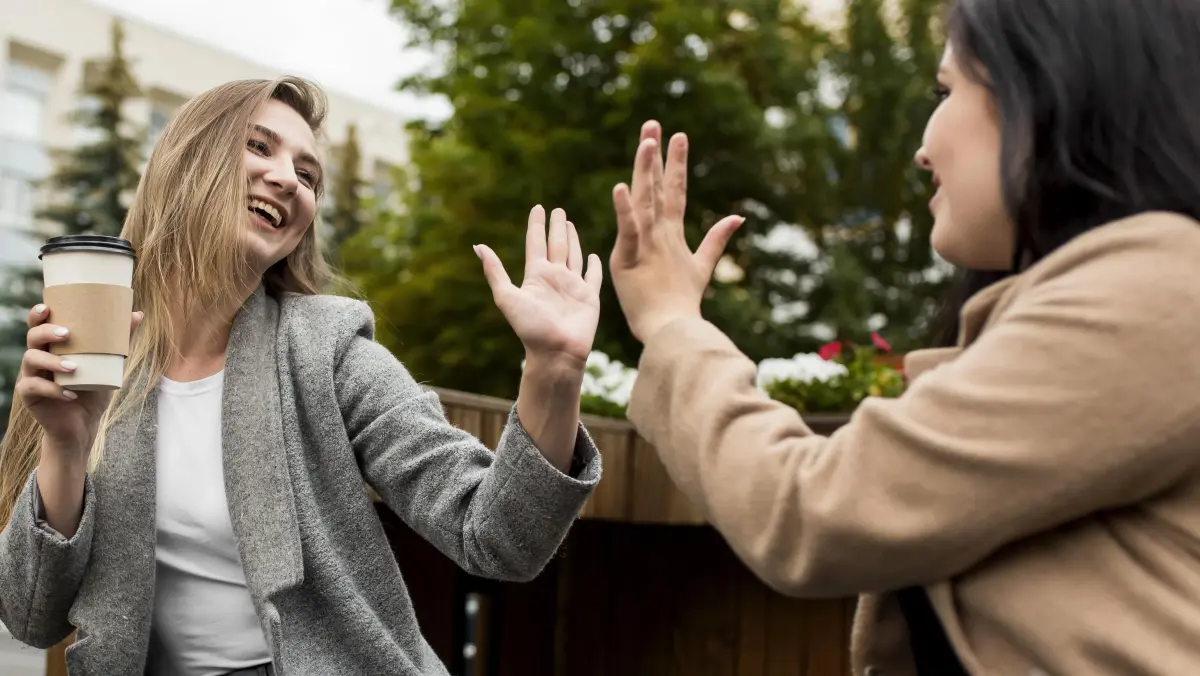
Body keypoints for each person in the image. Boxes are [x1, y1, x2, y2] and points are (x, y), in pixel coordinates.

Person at [605, 0, 1200, 674]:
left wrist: (673, 326)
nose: (922, 148)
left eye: (946, 91)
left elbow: (811, 512)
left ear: (1049, 87)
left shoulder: (1159, 289)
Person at [0, 76, 604, 676]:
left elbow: (496, 534)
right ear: (187, 162)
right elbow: (30, 616)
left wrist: (553, 373)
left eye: (309, 175)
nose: (289, 178)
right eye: (259, 147)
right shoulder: (84, 355)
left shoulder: (329, 349)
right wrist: (66, 444)